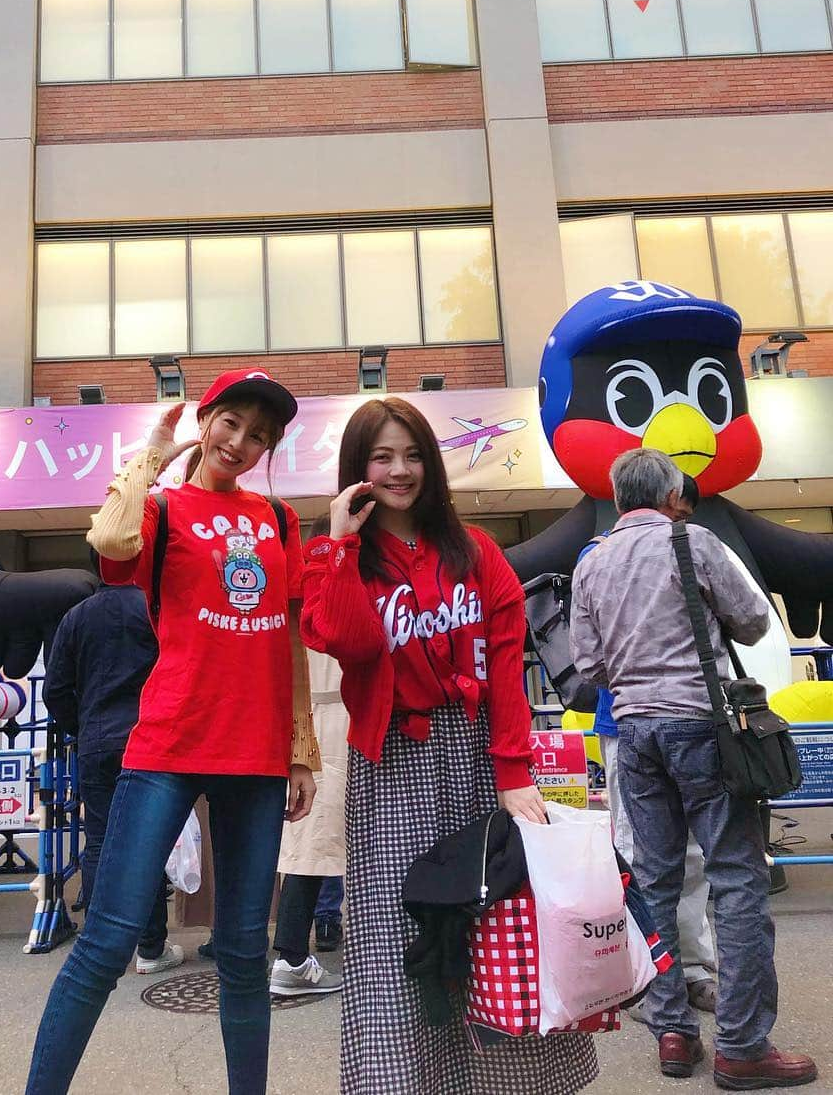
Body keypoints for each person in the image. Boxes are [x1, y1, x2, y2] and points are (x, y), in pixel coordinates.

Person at [26, 368, 320, 1095]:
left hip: (254, 756)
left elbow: (288, 636)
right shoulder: (162, 508)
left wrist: (300, 749)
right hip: (168, 744)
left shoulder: (279, 521)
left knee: (246, 951)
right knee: (106, 940)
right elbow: (110, 538)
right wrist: (154, 450)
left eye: (259, 435)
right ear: (208, 420)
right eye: (231, 423)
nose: (241, 442)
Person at [300, 396, 598, 1095]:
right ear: (358, 469)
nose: (399, 470)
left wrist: (515, 772)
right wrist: (341, 544)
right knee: (400, 934)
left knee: (496, 924)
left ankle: (507, 1082)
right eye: (382, 456)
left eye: (411, 454)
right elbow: (348, 641)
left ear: (431, 462)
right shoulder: (334, 557)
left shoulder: (476, 552)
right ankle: (402, 1084)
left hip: (474, 759)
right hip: (393, 765)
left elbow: (504, 671)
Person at [571, 447, 818, 1090]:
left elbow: (588, 666)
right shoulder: (694, 543)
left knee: (654, 879)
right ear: (672, 495)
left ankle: (673, 1031)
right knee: (736, 878)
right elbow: (752, 618)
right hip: (702, 727)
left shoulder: (591, 561)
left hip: (635, 732)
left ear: (622, 498)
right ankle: (741, 1044)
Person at [591, 475, 718, 1017]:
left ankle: (684, 972)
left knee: (673, 857)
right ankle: (649, 976)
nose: (679, 523)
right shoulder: (610, 553)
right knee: (649, 857)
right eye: (680, 512)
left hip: (639, 725)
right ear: (669, 501)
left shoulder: (601, 554)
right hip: (645, 724)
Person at [44, 555, 183, 974]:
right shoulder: (155, 610)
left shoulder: (75, 618)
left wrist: (82, 724)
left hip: (96, 742)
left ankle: (100, 943)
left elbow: (56, 689)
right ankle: (150, 947)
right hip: (148, 740)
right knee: (149, 839)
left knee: (100, 839)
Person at [270, 514, 348, 998]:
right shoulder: (341, 588)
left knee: (307, 846)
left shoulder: (288, 597)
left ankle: (293, 954)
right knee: (319, 846)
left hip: (301, 726)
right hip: (344, 718)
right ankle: (292, 958)